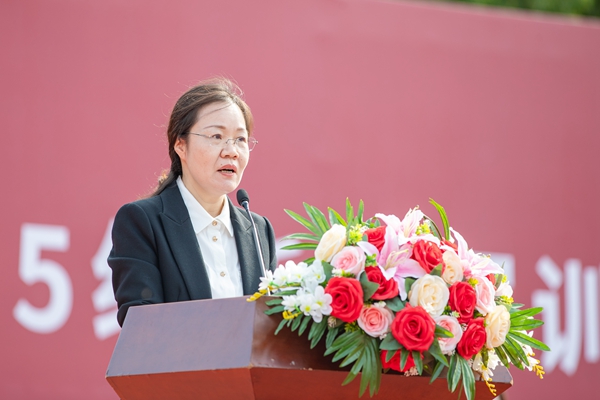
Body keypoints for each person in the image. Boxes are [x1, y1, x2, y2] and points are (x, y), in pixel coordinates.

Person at [108, 78, 277, 327]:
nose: (231, 151)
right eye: (217, 136)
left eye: (241, 139)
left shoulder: (258, 229)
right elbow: (142, 326)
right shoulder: (143, 222)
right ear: (181, 145)